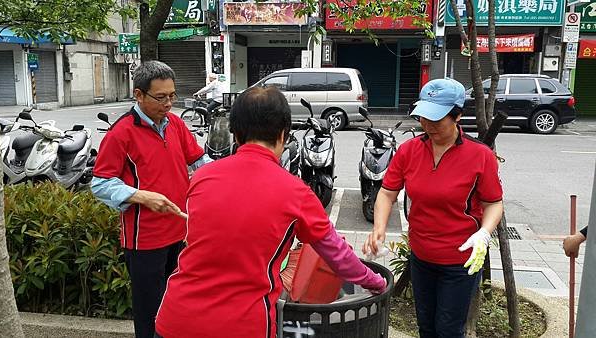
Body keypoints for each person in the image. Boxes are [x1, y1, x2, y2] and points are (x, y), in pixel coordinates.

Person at [155, 86, 386, 338]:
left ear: (236, 133)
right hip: (242, 326)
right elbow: (338, 256)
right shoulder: (296, 192)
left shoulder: (202, 177)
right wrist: (375, 282)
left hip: (175, 319)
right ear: (283, 134)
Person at [363, 78, 504, 338]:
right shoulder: (409, 151)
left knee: (449, 330)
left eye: (437, 120)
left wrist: (484, 232)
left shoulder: (480, 155)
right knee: (426, 327)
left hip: (460, 260)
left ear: (458, 116)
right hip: (421, 257)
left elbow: (493, 202)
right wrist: (379, 229)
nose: (427, 126)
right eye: (423, 118)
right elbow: (386, 193)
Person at [91, 61, 211, 338]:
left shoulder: (176, 125)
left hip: (181, 233)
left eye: (172, 96)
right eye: (160, 97)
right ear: (139, 95)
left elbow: (199, 160)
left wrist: (225, 177)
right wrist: (140, 196)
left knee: (178, 306)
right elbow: (100, 183)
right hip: (144, 240)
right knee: (149, 312)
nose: (169, 103)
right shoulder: (121, 133)